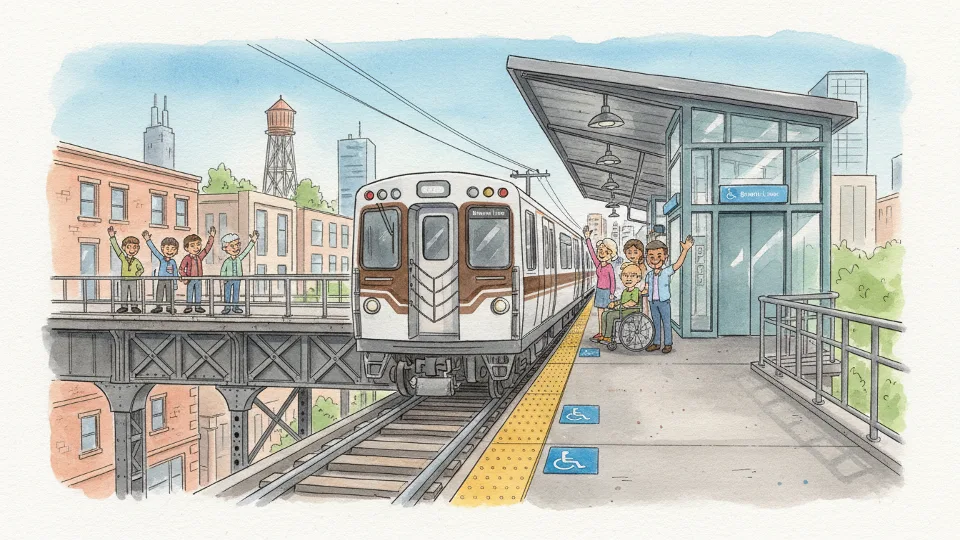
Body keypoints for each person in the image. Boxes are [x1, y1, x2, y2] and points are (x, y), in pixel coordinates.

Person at [644, 235, 694, 354]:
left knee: (666, 323)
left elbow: (678, 264)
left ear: (665, 257)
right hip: (653, 302)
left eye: (659, 256)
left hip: (664, 302)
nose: (655, 259)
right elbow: (646, 288)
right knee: (655, 323)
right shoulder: (649, 275)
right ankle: (656, 343)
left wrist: (685, 250)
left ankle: (668, 344)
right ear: (647, 258)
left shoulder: (666, 271)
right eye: (651, 256)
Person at [582, 225, 617, 342]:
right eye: (600, 251)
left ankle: (607, 334)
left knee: (607, 314)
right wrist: (588, 239)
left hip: (607, 292)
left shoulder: (609, 267)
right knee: (600, 314)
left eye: (605, 251)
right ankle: (601, 333)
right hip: (599, 291)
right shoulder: (598, 264)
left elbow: (613, 280)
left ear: (611, 254)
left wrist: (612, 293)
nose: (602, 253)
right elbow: (591, 253)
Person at [598, 263, 644, 343]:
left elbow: (632, 302)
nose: (628, 278)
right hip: (623, 310)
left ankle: (608, 337)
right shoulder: (625, 291)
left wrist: (621, 306)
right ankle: (604, 334)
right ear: (621, 278)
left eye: (632, 276)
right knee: (605, 314)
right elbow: (621, 300)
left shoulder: (636, 291)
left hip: (631, 311)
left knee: (610, 315)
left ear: (638, 278)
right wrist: (615, 303)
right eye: (625, 276)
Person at [179, 227, 217, 314]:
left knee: (198, 293)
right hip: (190, 279)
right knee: (189, 292)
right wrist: (185, 277)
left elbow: (207, 249)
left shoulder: (199, 257)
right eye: (192, 246)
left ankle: (198, 306)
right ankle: (188, 306)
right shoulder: (187, 258)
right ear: (186, 248)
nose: (196, 248)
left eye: (198, 244)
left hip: (199, 278)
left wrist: (211, 236)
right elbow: (181, 268)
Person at [219, 230, 258, 314]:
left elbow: (246, 251)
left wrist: (253, 241)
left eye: (237, 245)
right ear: (225, 248)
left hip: (237, 279)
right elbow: (223, 270)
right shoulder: (227, 261)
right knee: (227, 294)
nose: (235, 248)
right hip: (228, 280)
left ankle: (235, 307)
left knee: (236, 293)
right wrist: (223, 278)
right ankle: (227, 307)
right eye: (232, 246)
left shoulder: (239, 258)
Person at [107, 226, 144, 313]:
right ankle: (124, 306)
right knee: (123, 293)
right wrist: (112, 237)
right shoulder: (123, 257)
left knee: (134, 293)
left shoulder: (136, 261)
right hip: (124, 279)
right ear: (124, 248)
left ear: (138, 249)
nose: (132, 250)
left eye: (134, 247)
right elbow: (116, 248)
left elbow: (141, 269)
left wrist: (137, 274)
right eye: (129, 247)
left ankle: (134, 306)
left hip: (133, 280)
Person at [142, 231, 179, 314]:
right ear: (162, 248)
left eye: (173, 249)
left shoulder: (173, 262)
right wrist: (148, 240)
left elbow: (175, 272)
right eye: (167, 248)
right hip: (161, 280)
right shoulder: (161, 258)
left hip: (171, 281)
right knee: (159, 293)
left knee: (170, 294)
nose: (170, 251)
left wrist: (175, 283)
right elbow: (154, 250)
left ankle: (170, 307)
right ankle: (158, 307)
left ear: (176, 251)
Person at [622, 238, 648, 315]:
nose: (632, 255)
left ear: (641, 253)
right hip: (632, 290)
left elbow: (642, 279)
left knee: (643, 309)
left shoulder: (642, 266)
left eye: (635, 252)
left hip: (640, 291)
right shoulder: (628, 265)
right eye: (629, 253)